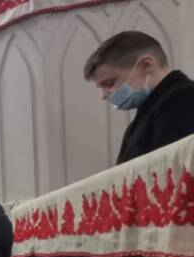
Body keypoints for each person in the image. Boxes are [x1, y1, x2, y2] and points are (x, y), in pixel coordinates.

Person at [83, 31, 194, 164]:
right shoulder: (150, 110)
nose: (104, 95)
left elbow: (174, 168)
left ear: (146, 65)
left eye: (109, 83)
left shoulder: (183, 99)